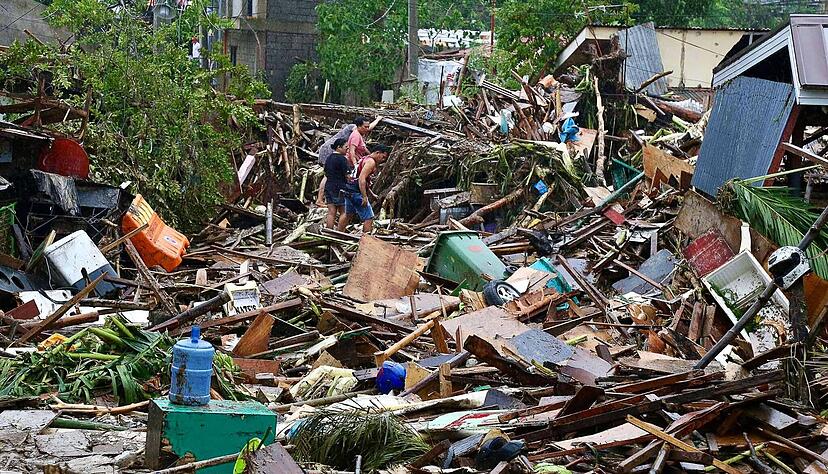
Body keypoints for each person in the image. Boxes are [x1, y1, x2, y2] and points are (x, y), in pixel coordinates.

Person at [340, 144, 391, 234]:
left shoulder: (364, 158)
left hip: (348, 189)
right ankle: (366, 239)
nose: (383, 160)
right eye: (383, 157)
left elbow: (362, 180)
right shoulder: (371, 162)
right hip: (356, 192)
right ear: (377, 153)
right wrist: (364, 196)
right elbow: (361, 179)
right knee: (369, 217)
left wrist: (371, 194)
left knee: (348, 214)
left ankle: (337, 234)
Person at [323, 138, 351, 229]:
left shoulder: (329, 158)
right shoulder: (342, 159)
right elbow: (348, 175)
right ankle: (340, 232)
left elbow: (326, 173)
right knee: (344, 211)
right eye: (346, 147)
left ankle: (328, 231)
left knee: (331, 212)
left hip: (329, 186)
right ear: (339, 147)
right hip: (340, 188)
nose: (347, 149)